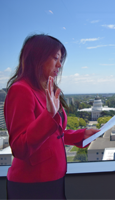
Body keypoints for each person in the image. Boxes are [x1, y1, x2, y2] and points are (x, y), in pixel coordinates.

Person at [4, 34, 99, 199]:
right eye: (55, 58)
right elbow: (19, 147)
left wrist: (80, 135)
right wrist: (48, 115)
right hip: (32, 186)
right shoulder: (21, 89)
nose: (59, 65)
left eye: (60, 59)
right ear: (37, 57)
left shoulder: (46, 90)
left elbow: (53, 134)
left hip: (53, 179)